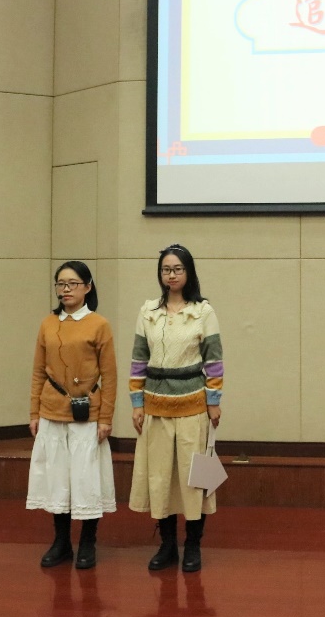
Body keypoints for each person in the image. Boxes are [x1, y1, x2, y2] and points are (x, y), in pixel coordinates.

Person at [129, 244, 223, 572]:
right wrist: (137, 403)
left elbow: (214, 361)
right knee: (161, 478)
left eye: (177, 269)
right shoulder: (148, 312)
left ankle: (193, 545)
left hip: (193, 408)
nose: (171, 275)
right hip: (156, 408)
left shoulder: (203, 312)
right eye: (166, 269)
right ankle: (167, 545)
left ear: (188, 272)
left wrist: (213, 401)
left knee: (195, 479)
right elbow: (138, 360)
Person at [26, 260, 117, 569]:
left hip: (87, 415)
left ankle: (88, 542)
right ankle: (61, 542)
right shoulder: (47, 324)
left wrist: (106, 417)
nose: (65, 290)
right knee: (58, 480)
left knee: (85, 480)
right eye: (60, 284)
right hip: (51, 412)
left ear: (87, 287)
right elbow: (38, 371)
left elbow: (110, 376)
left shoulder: (99, 324)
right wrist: (34, 411)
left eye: (72, 284)